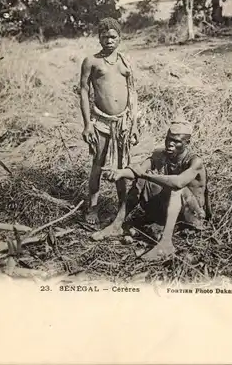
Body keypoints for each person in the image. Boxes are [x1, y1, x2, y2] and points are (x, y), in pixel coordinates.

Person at [100, 116, 212, 260]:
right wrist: (120, 173)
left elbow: (178, 182)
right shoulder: (160, 154)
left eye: (177, 141)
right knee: (141, 180)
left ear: (187, 143)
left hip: (191, 215)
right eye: (168, 139)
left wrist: (147, 176)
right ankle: (117, 225)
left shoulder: (195, 162)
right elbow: (138, 170)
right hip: (169, 211)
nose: (170, 144)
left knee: (176, 189)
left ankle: (166, 244)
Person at [80, 17, 138, 230]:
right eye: (104, 37)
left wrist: (134, 123)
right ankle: (93, 207)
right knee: (98, 163)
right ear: (99, 38)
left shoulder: (125, 61)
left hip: (122, 122)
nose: (109, 40)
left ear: (120, 38)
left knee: (121, 166)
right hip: (101, 122)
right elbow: (84, 92)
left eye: (113, 37)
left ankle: (122, 207)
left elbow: (132, 92)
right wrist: (87, 125)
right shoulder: (91, 61)